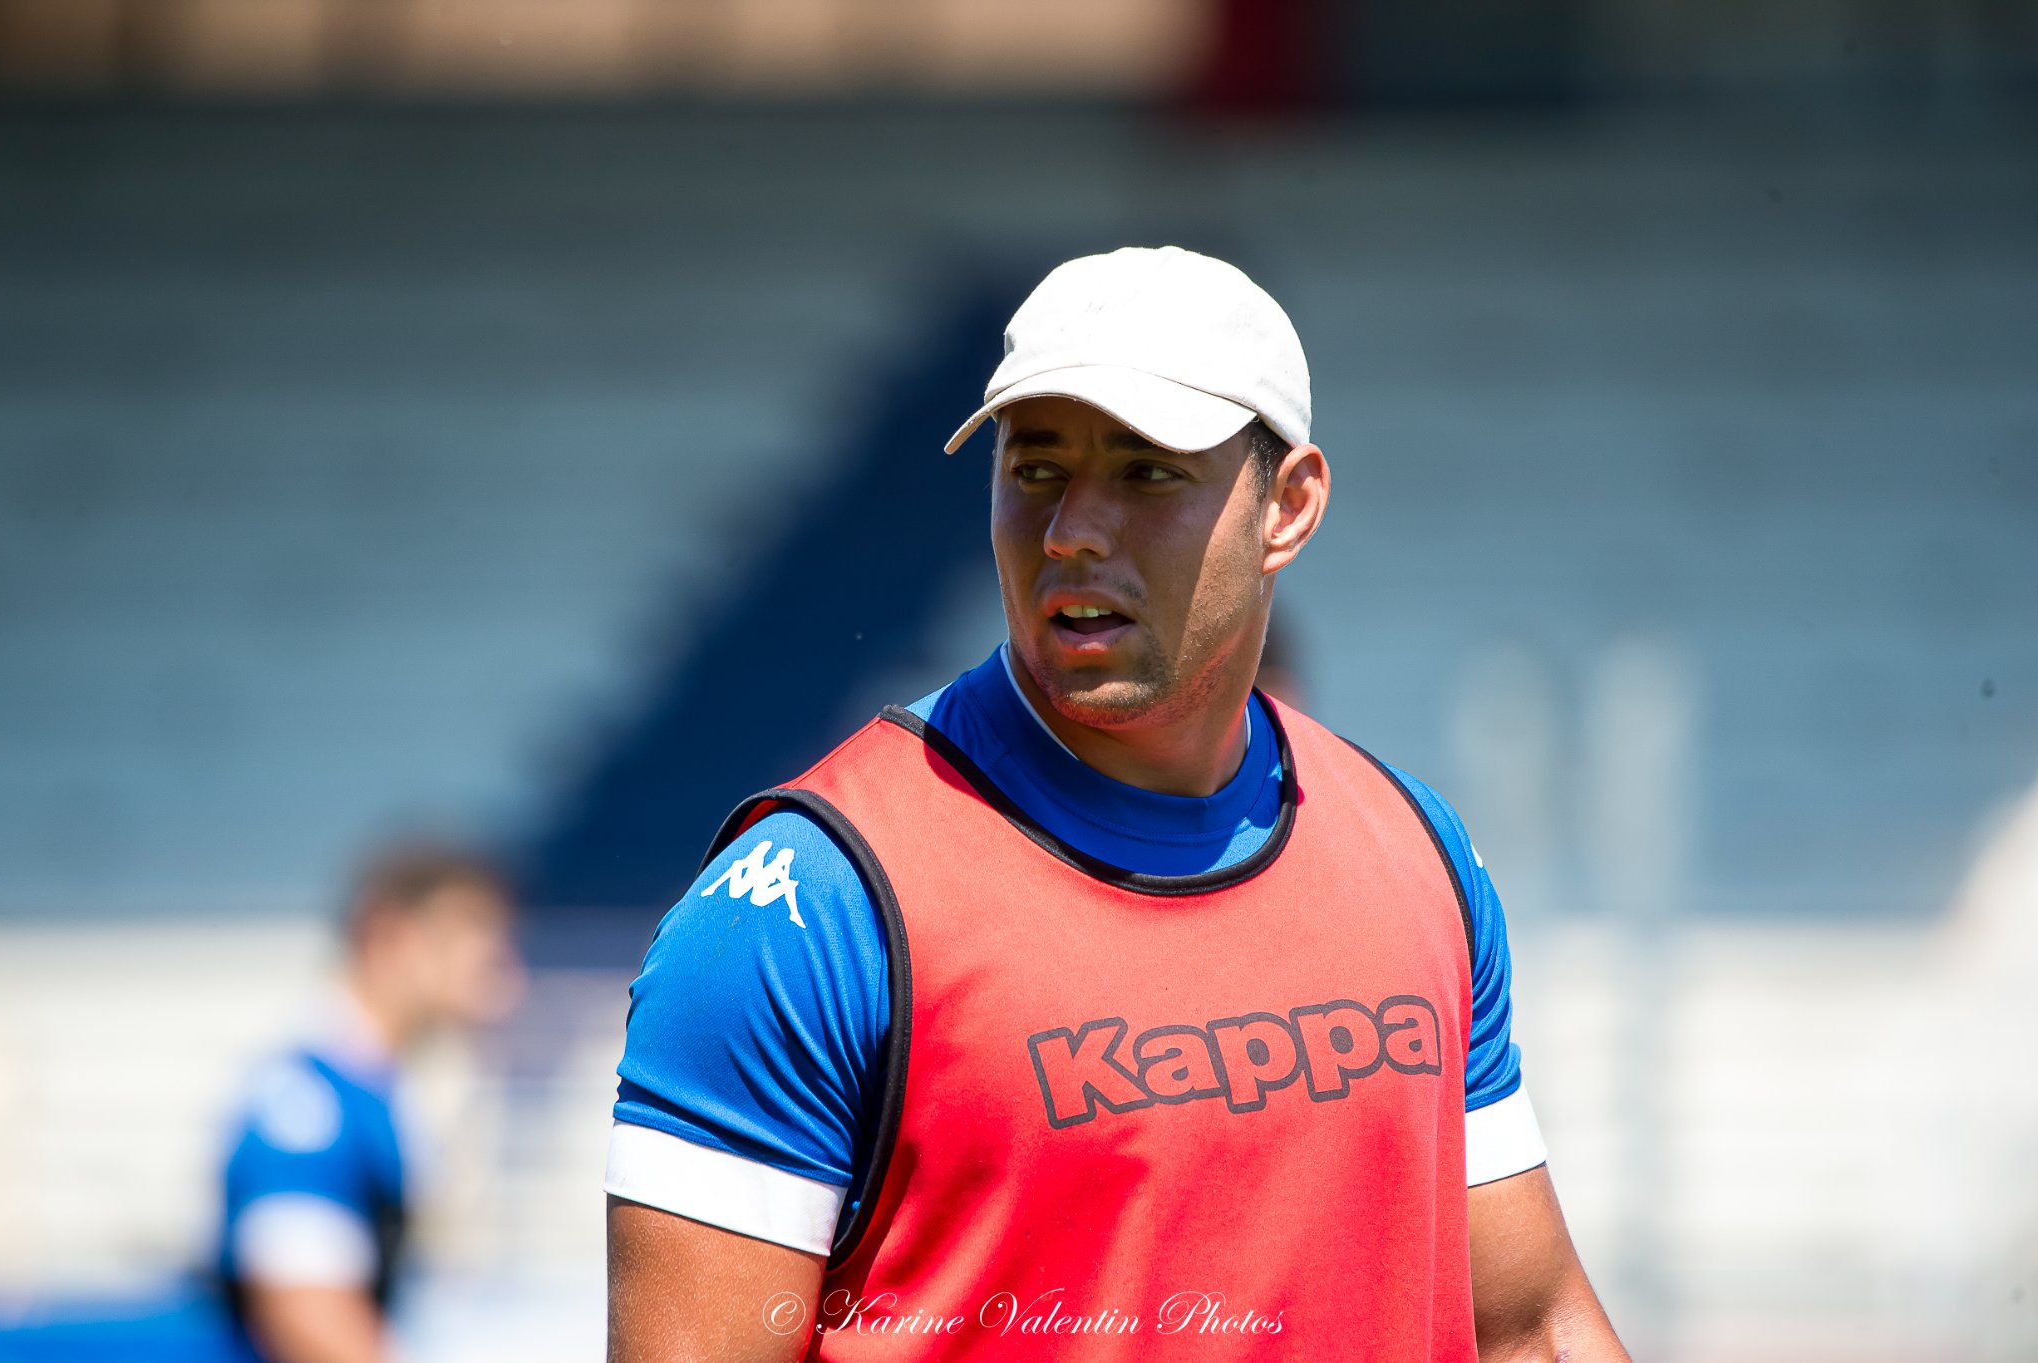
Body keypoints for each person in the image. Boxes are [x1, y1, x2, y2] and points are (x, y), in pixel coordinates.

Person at [605, 246, 1628, 1360]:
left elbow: (1527, 1327)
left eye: (1145, 472)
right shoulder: (804, 911)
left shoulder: (1413, 852)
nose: (1070, 531)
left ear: (1288, 506)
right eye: (1035, 468)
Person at [214, 844, 523, 1363]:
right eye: (476, 937)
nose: (502, 977)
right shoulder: (308, 1105)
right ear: (389, 934)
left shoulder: (375, 1091)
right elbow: (305, 1313)